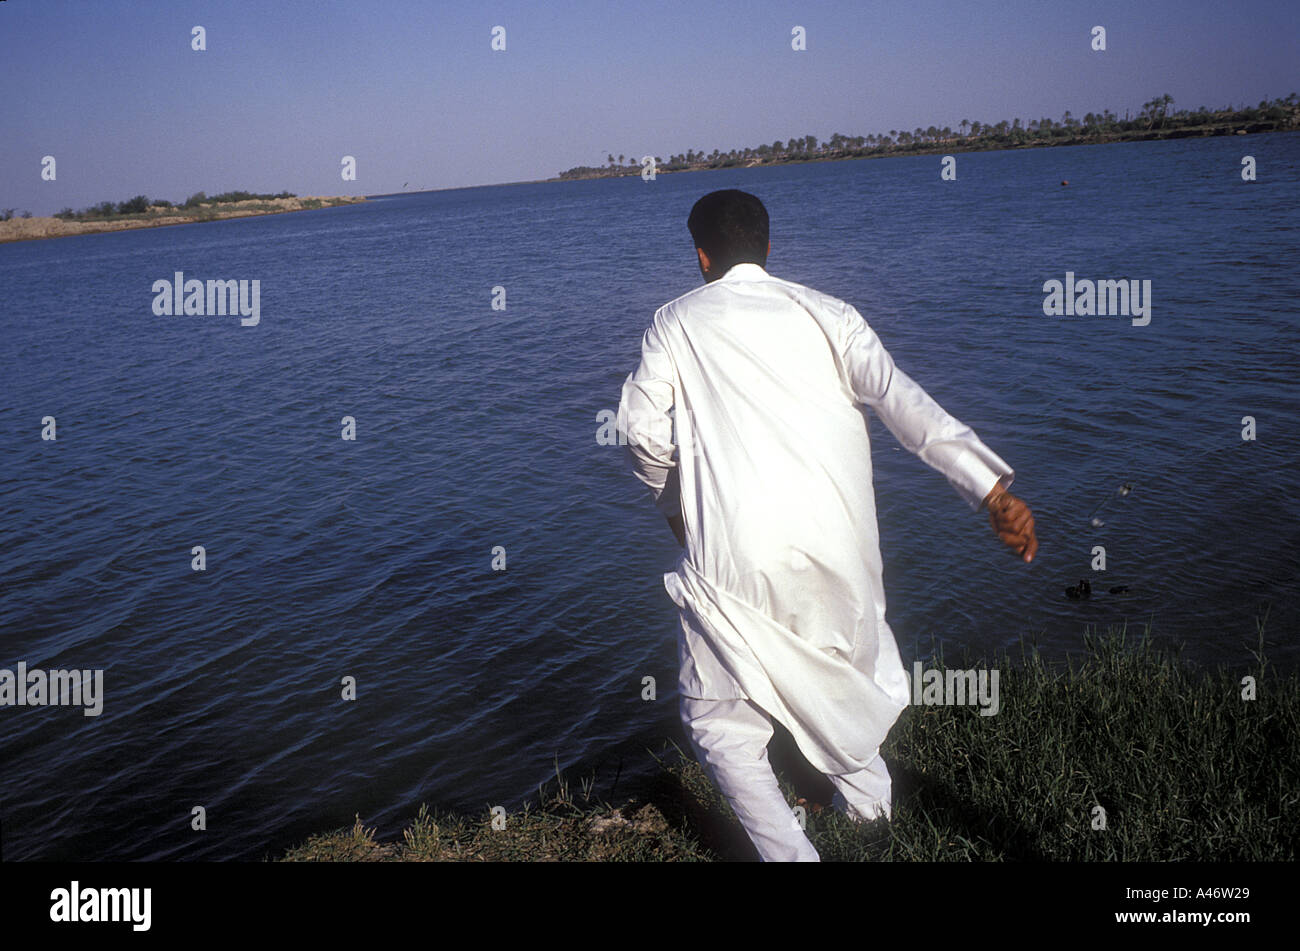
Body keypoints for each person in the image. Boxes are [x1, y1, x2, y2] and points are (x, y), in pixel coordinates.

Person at [617, 189, 1037, 862]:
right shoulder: (831, 314)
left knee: (719, 721)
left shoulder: (673, 324)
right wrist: (989, 489)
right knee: (840, 675)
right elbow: (902, 402)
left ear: (700, 257)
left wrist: (679, 512)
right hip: (840, 545)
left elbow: (639, 431)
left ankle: (793, 853)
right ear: (770, 248)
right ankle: (872, 813)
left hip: (738, 550)